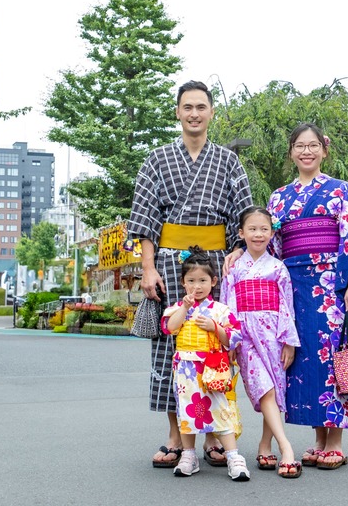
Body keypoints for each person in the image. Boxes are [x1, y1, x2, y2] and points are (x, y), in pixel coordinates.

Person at [127, 80, 254, 469]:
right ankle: (175, 436)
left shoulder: (229, 161)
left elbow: (244, 214)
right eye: (188, 107)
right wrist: (147, 269)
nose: (195, 113)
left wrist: (235, 252)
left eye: (201, 107)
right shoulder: (157, 159)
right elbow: (146, 219)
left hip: (215, 265)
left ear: (211, 113)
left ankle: (217, 432)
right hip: (170, 266)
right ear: (178, 112)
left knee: (216, 346)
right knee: (171, 348)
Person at [265, 122, 348, 470]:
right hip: (294, 284)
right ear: (291, 152)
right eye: (300, 146)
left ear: (324, 150)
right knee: (304, 361)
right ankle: (318, 439)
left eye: (313, 145)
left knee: (332, 358)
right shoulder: (278, 197)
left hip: (331, 282)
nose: (307, 151)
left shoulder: (340, 190)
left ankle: (336, 441)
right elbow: (270, 245)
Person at [220, 206, 302, 479]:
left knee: (275, 388)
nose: (258, 234)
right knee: (264, 388)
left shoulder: (278, 268)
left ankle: (265, 445)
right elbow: (226, 305)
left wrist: (289, 341)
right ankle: (285, 446)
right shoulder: (234, 267)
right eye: (252, 229)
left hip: (273, 333)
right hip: (244, 336)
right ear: (241, 233)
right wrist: (229, 341)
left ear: (272, 232)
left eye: (264, 229)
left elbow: (287, 306)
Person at [162, 248, 249, 481]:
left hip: (213, 368)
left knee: (220, 411)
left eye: (202, 281)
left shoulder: (220, 310)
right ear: (182, 283)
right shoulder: (176, 308)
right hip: (186, 370)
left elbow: (235, 337)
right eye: (191, 281)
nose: (197, 286)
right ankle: (188, 454)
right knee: (186, 413)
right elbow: (170, 328)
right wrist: (185, 308)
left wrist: (215, 327)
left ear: (213, 281)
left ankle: (233, 456)